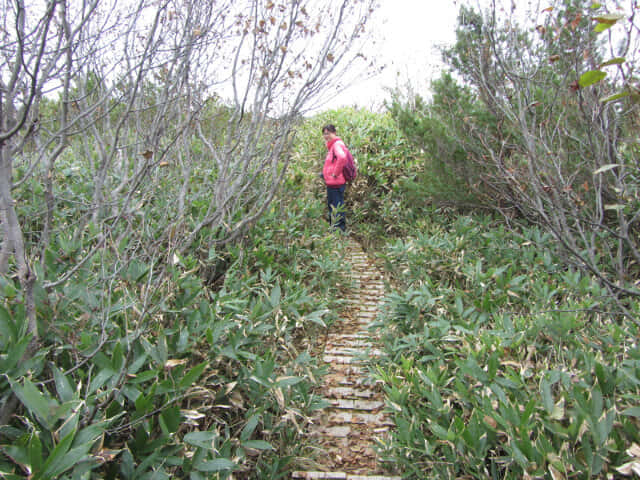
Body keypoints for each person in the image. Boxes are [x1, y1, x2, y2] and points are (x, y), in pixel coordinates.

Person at [321, 124, 347, 232]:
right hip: (332, 183)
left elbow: (342, 157)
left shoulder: (336, 144)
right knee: (335, 206)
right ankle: (335, 229)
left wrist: (335, 174)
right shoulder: (332, 145)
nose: (326, 136)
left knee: (336, 207)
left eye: (328, 133)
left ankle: (338, 231)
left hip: (336, 183)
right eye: (324, 134)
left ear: (334, 133)